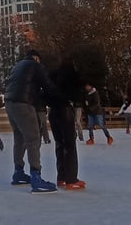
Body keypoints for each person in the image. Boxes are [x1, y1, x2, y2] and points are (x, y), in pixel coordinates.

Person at [3, 50, 59, 194]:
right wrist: (60, 97)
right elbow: (47, 85)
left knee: (19, 137)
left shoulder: (17, 66)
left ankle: (18, 172)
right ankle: (36, 177)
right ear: (36, 58)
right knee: (33, 138)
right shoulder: (35, 65)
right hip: (23, 104)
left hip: (9, 103)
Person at [47, 57, 85, 190]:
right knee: (69, 145)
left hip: (52, 111)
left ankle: (61, 177)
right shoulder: (71, 75)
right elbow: (79, 92)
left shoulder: (52, 76)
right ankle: (71, 179)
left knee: (59, 143)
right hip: (65, 109)